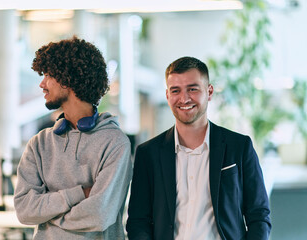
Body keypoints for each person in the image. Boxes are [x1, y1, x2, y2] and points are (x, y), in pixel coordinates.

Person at [126, 56, 271, 240]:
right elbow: (138, 221)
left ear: (209, 92)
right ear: (167, 95)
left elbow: (259, 214)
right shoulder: (148, 154)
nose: (184, 98)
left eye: (192, 89)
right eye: (175, 90)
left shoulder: (239, 147)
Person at [14, 36, 132, 240]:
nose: (42, 84)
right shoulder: (39, 144)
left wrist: (49, 218)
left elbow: (98, 214)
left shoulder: (114, 143)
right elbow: (24, 210)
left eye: (48, 75)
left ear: (68, 79)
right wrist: (79, 194)